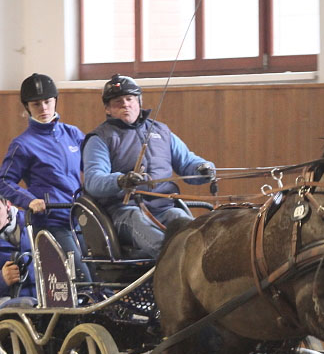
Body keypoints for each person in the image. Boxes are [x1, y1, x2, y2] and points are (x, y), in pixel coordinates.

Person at [82, 74, 216, 259]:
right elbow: (93, 180)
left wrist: (203, 169)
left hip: (165, 206)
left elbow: (187, 162)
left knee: (183, 221)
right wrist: (121, 180)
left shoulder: (162, 131)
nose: (125, 104)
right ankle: (174, 264)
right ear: (108, 109)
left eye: (130, 99)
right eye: (118, 101)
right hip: (124, 212)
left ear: (139, 101)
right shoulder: (99, 139)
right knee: (139, 222)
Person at [0, 73, 91, 282]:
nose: (43, 109)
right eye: (36, 104)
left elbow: (94, 168)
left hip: (81, 219)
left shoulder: (73, 134)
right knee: (83, 279)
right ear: (27, 107)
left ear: (55, 101)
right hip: (51, 222)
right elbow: (3, 181)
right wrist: (29, 200)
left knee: (100, 273)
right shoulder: (22, 144)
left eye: (47, 102)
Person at [0, 197, 36, 302]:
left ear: (8, 205)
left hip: (46, 297)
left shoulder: (35, 222)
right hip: (8, 303)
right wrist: (2, 279)